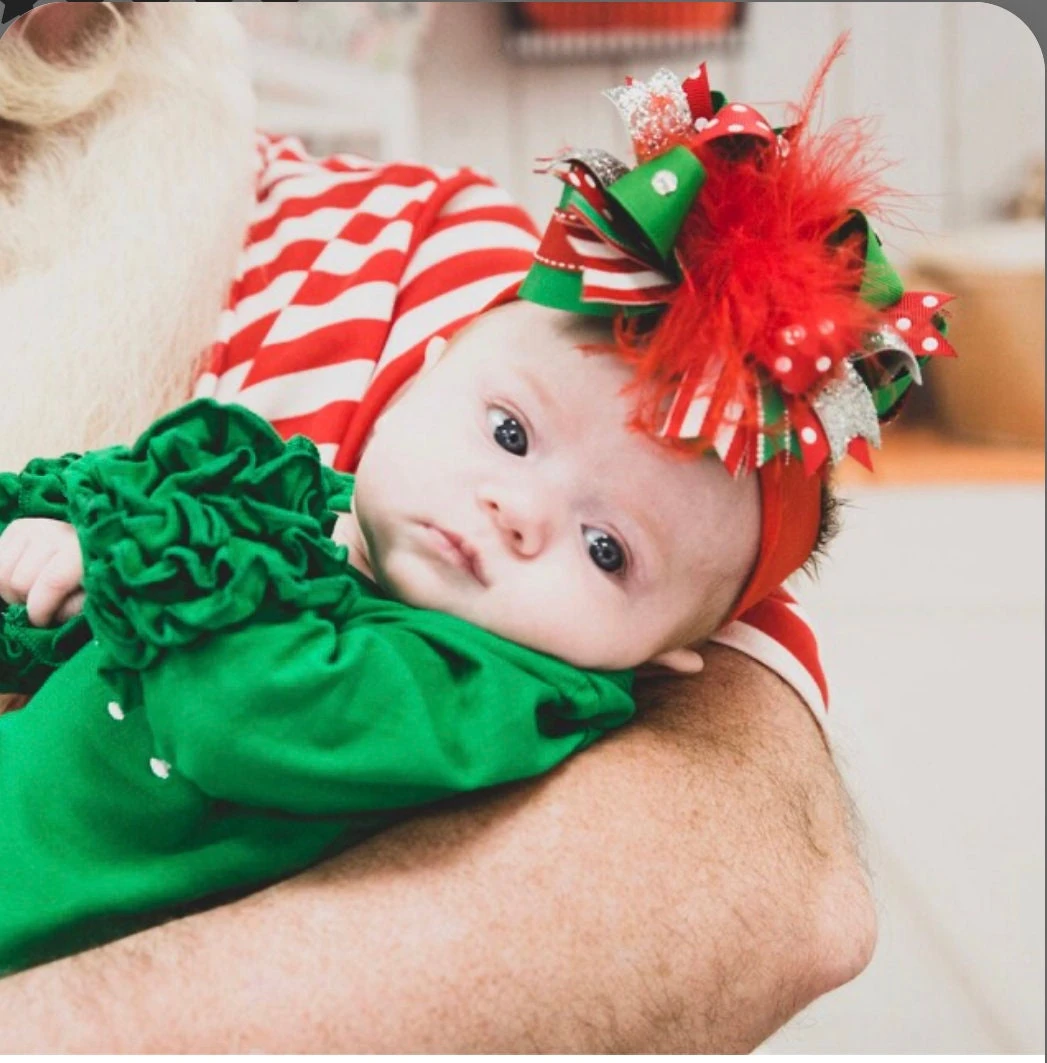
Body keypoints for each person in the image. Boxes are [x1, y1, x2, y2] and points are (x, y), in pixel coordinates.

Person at [0, 4, 882, 1051]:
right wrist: (67, 553)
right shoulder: (316, 500)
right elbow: (120, 529)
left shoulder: (493, 691)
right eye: (509, 432)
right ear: (425, 375)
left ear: (671, 654)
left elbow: (247, 708)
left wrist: (138, 560)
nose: (518, 509)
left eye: (608, 552)